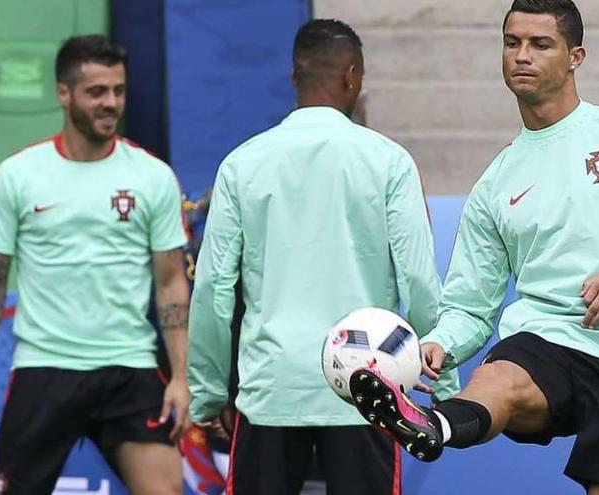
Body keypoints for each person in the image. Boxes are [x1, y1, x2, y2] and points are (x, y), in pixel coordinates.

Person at [349, 1, 599, 494]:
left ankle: (441, 425)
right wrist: (439, 345)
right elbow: (471, 308)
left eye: (540, 44)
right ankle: (434, 427)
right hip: (547, 342)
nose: (522, 56)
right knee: (501, 377)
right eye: (512, 42)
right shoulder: (496, 183)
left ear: (575, 56)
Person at [188, 18, 458, 495]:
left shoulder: (241, 164)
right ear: (352, 76)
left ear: (294, 79)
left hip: (272, 389)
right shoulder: (388, 162)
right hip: (368, 390)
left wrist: (209, 392)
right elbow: (418, 279)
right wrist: (445, 383)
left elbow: (211, 292)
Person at [0, 34, 190, 495]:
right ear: (63, 94)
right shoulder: (18, 176)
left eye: (119, 91)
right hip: (45, 367)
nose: (111, 103)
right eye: (97, 92)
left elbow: (169, 283)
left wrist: (182, 379)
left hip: (129, 367)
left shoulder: (153, 177)